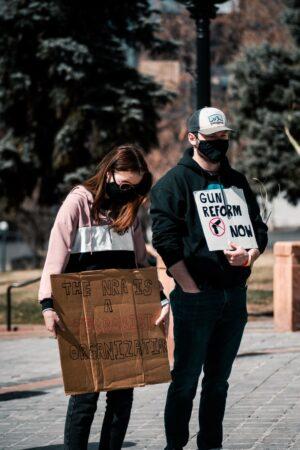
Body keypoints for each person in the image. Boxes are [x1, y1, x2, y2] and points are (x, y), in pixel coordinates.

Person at [150, 107, 268, 450]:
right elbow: (166, 243)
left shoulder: (237, 182)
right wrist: (188, 285)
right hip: (195, 297)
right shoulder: (172, 185)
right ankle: (176, 445)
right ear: (192, 138)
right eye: (210, 138)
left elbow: (258, 230)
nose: (218, 144)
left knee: (219, 381)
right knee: (185, 380)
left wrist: (249, 256)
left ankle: (211, 444)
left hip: (234, 296)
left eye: (223, 138)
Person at [38, 144, 169, 450]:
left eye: (135, 187)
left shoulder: (130, 211)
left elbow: (140, 264)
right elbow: (54, 259)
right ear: (109, 172)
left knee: (123, 397)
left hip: (122, 314)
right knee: (85, 397)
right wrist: (47, 305)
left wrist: (161, 299)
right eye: (124, 185)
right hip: (82, 315)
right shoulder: (77, 203)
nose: (128, 192)